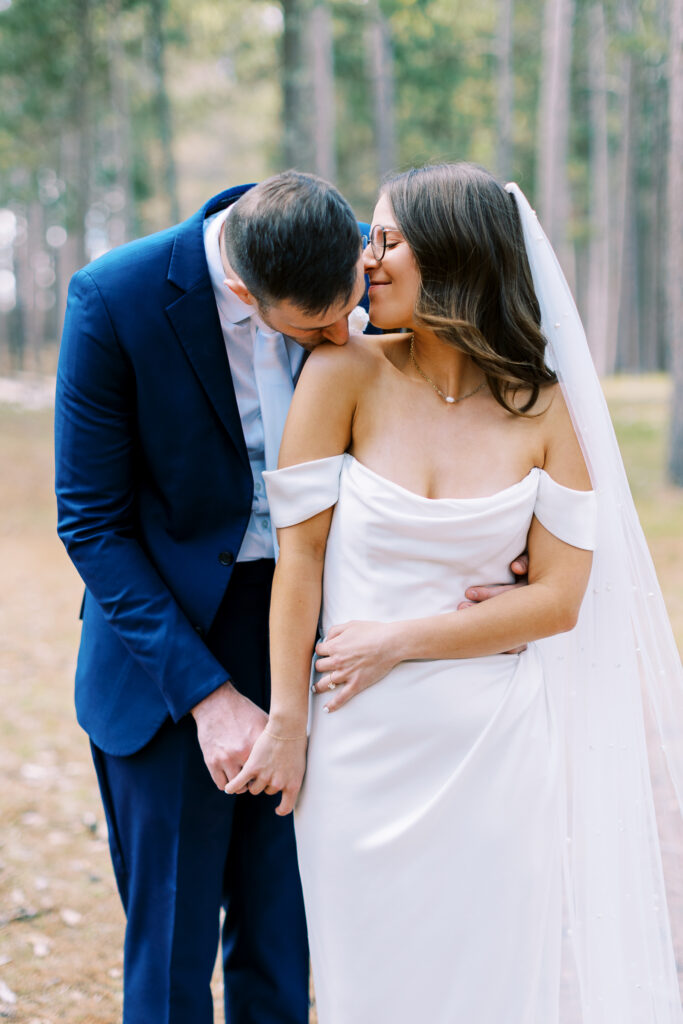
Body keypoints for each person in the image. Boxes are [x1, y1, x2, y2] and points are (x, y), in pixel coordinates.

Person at [227, 163, 683, 1023]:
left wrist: (400, 638)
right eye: (371, 237)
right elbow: (302, 562)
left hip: (494, 754)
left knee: (492, 988)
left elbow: (557, 600)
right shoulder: (340, 373)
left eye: (388, 239)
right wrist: (290, 721)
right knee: (368, 988)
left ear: (457, 258)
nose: (366, 261)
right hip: (358, 749)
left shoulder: (543, 409)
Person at [54, 171, 370, 1024]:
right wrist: (206, 697)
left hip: (315, 638)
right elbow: (91, 525)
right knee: (171, 956)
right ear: (243, 289)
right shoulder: (115, 298)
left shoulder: (351, 266)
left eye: (351, 307)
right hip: (169, 659)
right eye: (319, 328)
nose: (349, 335)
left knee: (285, 945)